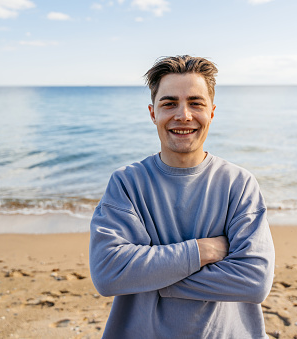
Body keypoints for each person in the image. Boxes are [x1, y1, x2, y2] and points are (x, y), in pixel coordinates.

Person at [89, 55, 275, 339]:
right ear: (153, 113)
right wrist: (200, 252)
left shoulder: (238, 184)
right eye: (169, 103)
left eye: (195, 103)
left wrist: (153, 278)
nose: (183, 115)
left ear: (211, 112)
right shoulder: (127, 183)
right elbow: (107, 273)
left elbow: (255, 281)